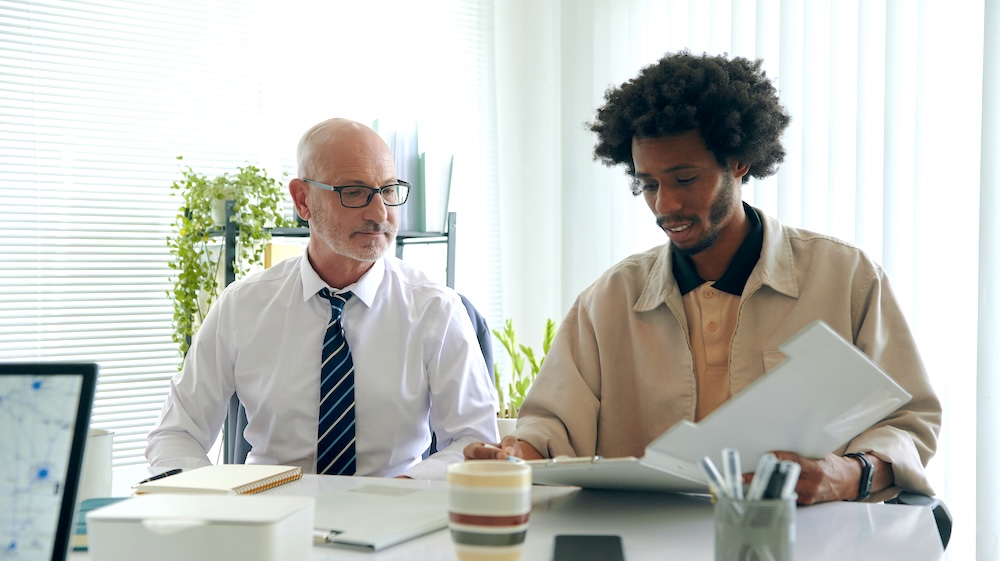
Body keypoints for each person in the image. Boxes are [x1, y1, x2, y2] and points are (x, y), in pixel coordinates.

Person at [466, 51, 940, 504]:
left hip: (805, 544)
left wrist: (848, 475)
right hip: (650, 550)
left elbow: (909, 421)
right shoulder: (608, 300)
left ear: (739, 162)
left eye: (685, 179)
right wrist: (515, 454)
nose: (665, 205)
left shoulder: (846, 279)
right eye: (648, 185)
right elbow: (549, 430)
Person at [147, 118, 498, 479]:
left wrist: (403, 488)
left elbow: (475, 442)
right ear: (303, 200)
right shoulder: (242, 307)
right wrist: (211, 500)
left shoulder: (435, 310)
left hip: (391, 516)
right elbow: (176, 433)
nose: (379, 214)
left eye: (389, 191)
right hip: (270, 516)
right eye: (354, 192)